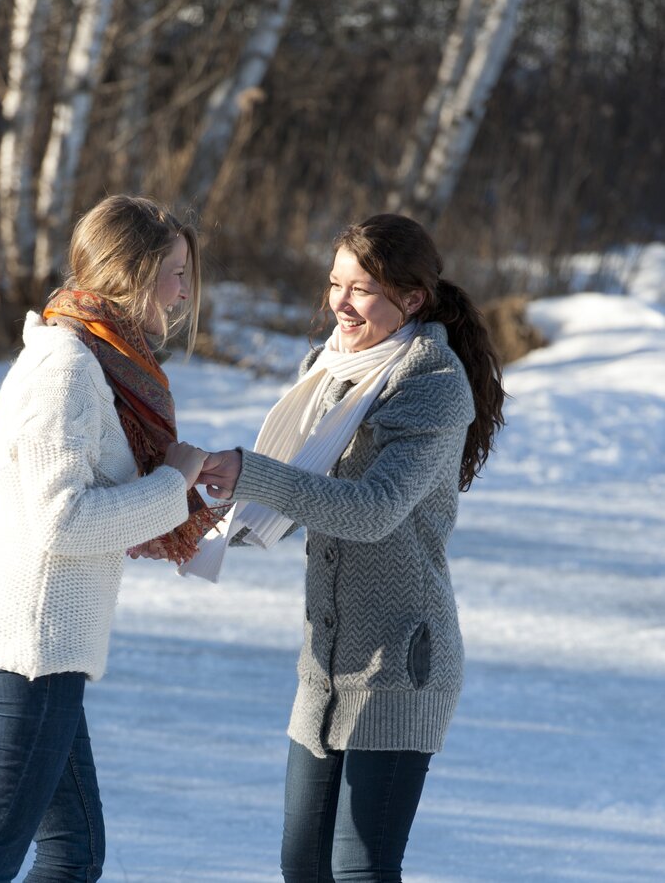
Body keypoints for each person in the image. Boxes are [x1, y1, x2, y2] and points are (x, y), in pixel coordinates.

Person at [192, 214, 505, 882]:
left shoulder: (431, 382)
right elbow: (286, 499)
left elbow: (371, 512)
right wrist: (185, 509)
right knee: (303, 867)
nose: (340, 301)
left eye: (362, 289)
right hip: (326, 664)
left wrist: (251, 472)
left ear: (412, 299)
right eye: (336, 283)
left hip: (401, 661)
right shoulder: (326, 372)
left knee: (359, 869)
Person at [0, 194, 217, 883]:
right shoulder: (66, 368)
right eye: (175, 272)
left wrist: (145, 518)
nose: (184, 293)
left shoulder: (93, 362)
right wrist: (170, 486)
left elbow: (6, 511)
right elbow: (58, 521)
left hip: (42, 650)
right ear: (131, 272)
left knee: (73, 853)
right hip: (28, 652)